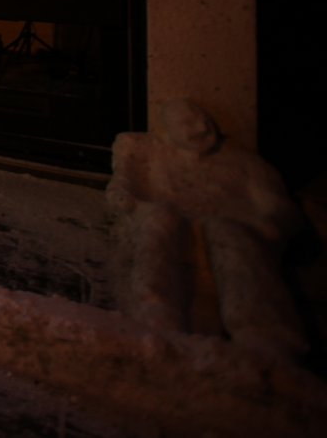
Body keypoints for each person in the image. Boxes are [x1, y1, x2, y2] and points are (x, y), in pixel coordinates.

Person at [108, 98, 306, 359]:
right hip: (168, 224)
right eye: (187, 123)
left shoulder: (244, 166)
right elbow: (123, 191)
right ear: (168, 131)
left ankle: (262, 332)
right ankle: (155, 310)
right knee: (160, 222)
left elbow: (281, 210)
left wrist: (268, 224)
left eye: (205, 120)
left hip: (229, 227)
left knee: (228, 233)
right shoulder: (156, 159)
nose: (201, 127)